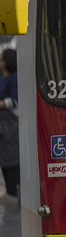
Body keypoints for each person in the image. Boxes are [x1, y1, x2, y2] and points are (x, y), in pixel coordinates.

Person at [0, 49, 18, 200]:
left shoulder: (14, 79)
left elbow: (14, 101)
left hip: (10, 123)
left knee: (10, 155)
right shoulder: (3, 78)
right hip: (3, 124)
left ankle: (13, 190)